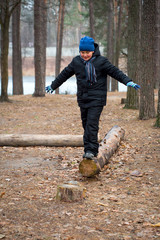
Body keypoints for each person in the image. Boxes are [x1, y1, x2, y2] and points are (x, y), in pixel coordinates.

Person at [46, 36, 140, 160]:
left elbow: (115, 72)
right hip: (83, 98)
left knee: (91, 124)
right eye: (82, 52)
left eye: (87, 52)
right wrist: (53, 85)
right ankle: (88, 149)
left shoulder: (101, 61)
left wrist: (128, 81)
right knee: (86, 125)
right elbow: (64, 74)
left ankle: (91, 150)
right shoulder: (76, 62)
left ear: (93, 51)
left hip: (97, 99)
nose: (85, 55)